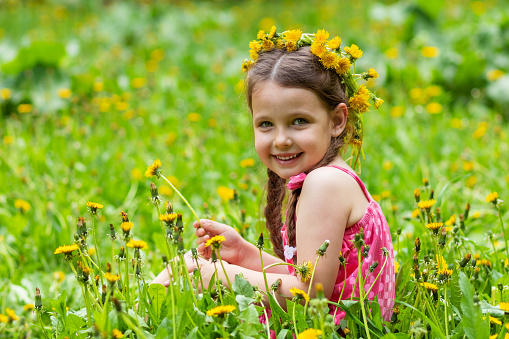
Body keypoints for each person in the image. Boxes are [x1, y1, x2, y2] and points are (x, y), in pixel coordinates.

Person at [153, 27, 395, 323]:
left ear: (336, 120)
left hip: (330, 331)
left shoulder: (324, 184)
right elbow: (311, 280)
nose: (281, 139)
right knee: (188, 267)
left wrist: (222, 275)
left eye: (299, 121)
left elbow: (311, 294)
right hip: (332, 326)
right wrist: (243, 255)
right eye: (266, 124)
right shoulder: (331, 178)